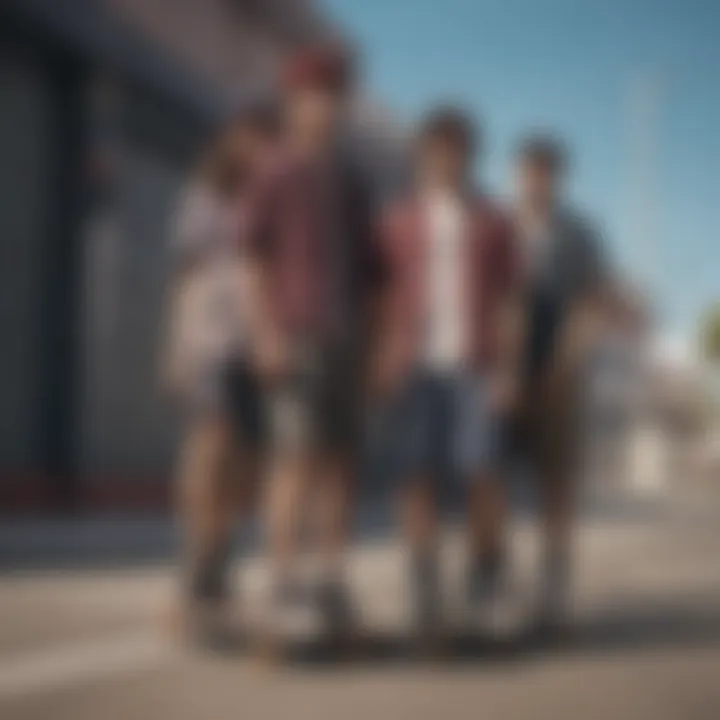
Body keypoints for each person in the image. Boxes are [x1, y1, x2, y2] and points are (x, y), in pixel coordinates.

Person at [243, 45, 380, 649]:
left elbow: (370, 273)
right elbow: (253, 259)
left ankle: (331, 581)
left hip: (345, 336)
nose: (321, 107)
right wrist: (266, 333)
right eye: (309, 96)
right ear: (292, 102)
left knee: (339, 464)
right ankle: (283, 584)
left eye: (331, 96)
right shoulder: (273, 170)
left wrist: (374, 348)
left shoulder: (353, 179)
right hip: (295, 336)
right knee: (293, 460)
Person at [371, 107, 522, 652]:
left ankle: (486, 585)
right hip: (414, 368)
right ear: (422, 153)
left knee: (483, 475)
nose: (446, 158)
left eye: (457, 148)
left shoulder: (493, 220)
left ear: (470, 155)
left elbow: (510, 302)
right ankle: (425, 597)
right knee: (415, 480)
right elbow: (381, 297)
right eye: (437, 147)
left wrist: (508, 369)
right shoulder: (396, 220)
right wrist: (381, 360)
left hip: (475, 368)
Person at [163, 100, 278, 645]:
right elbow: (184, 278)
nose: (255, 148)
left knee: (246, 467)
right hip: (210, 345)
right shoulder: (205, 198)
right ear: (230, 139)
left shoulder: (275, 202)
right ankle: (198, 571)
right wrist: (176, 348)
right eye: (247, 136)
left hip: (255, 349)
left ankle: (217, 561)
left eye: (265, 138)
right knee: (210, 448)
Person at [511, 134, 611, 637]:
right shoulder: (500, 226)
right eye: (529, 169)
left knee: (557, 483)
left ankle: (553, 591)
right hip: (507, 364)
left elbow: (590, 304)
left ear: (558, 177)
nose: (537, 179)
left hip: (560, 368)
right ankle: (499, 588)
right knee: (494, 477)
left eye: (546, 171)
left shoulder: (579, 233)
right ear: (516, 173)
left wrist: (565, 364)